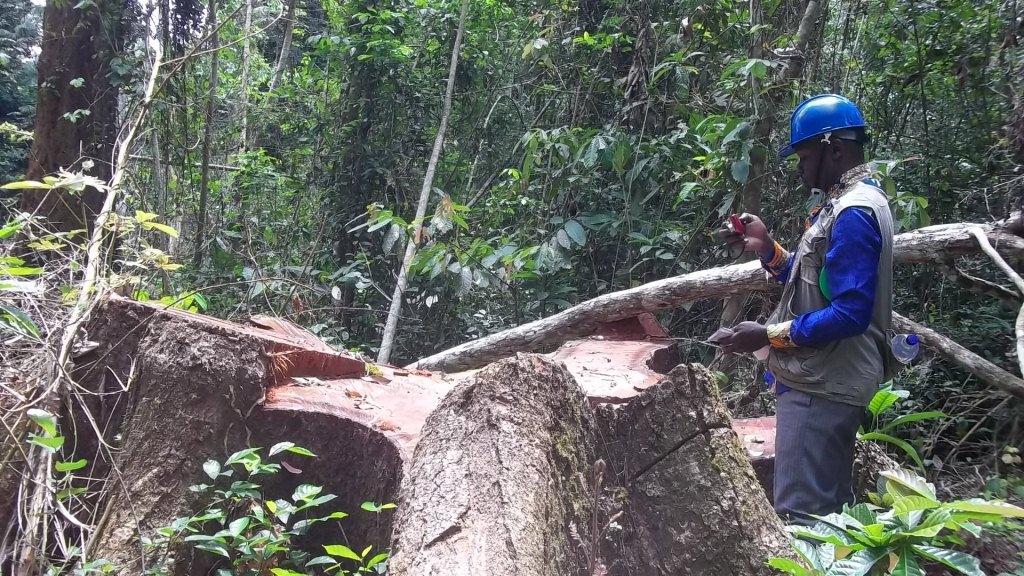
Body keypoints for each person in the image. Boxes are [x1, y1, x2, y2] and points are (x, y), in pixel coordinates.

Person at [716, 94, 896, 523]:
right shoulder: (848, 202)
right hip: (826, 379)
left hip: (823, 387)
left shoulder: (854, 213)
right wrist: (767, 249)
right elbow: (815, 281)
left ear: (835, 148)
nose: (798, 166)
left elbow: (851, 313)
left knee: (803, 522)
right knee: (828, 519)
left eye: (804, 155)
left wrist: (767, 336)